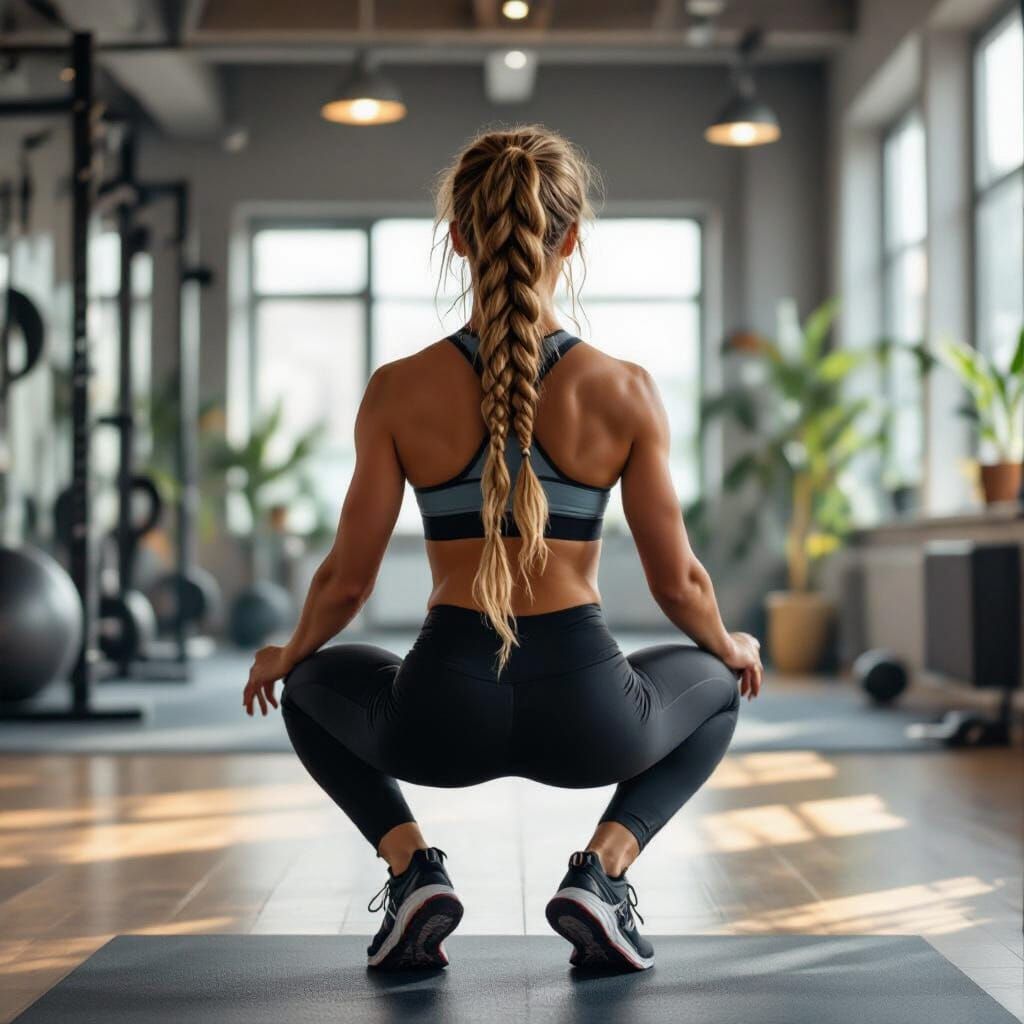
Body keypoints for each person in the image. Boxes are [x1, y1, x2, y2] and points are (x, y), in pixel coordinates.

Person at [242, 124, 763, 974]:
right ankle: (603, 872)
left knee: (308, 687)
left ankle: (413, 872)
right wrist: (730, 643)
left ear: (456, 237)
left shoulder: (397, 390)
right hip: (591, 716)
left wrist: (285, 654)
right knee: (712, 682)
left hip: (440, 714)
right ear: (572, 238)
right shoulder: (625, 389)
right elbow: (679, 582)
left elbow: (346, 582)